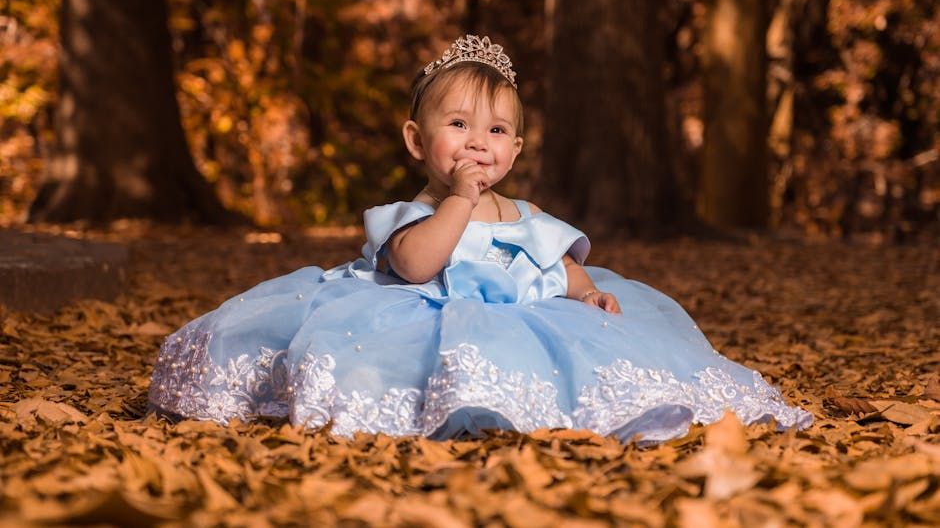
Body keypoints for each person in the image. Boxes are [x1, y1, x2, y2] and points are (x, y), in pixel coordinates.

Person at [149, 34, 811, 443]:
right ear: (417, 140)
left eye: (496, 131)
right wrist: (459, 201)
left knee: (568, 362)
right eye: (459, 124)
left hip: (522, 329)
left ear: (516, 148)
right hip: (416, 323)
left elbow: (560, 266)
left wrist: (586, 295)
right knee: (394, 368)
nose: (477, 142)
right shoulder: (413, 213)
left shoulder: (526, 215)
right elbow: (416, 267)